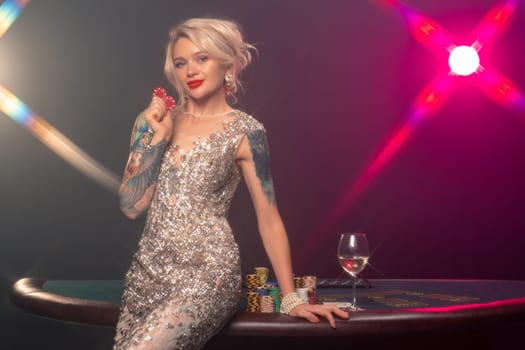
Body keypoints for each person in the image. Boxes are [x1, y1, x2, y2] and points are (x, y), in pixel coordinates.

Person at [114, 17, 349, 349]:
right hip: (147, 273)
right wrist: (157, 139)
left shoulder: (247, 132)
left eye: (201, 58)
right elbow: (130, 207)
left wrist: (290, 298)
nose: (190, 71)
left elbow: (269, 219)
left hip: (207, 276)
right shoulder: (153, 121)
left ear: (227, 64)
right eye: (181, 63)